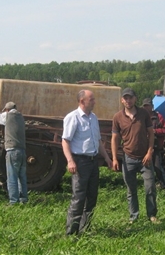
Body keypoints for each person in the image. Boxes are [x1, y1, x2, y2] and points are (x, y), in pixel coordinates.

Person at [62, 90, 113, 235]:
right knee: (78, 197)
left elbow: (98, 141)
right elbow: (65, 141)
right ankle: (71, 232)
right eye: (91, 99)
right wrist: (70, 161)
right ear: (82, 101)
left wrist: (107, 158)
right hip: (80, 162)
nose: (94, 102)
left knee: (92, 197)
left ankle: (85, 228)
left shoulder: (93, 118)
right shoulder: (73, 117)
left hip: (93, 161)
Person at [111, 88, 159, 224]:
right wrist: (115, 158)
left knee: (150, 187)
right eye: (125, 98)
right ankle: (134, 216)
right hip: (128, 158)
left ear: (135, 99)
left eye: (130, 98)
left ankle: (152, 215)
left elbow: (151, 134)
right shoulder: (117, 117)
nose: (128, 100)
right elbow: (114, 139)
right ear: (122, 100)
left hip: (145, 158)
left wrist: (149, 152)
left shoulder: (144, 114)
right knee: (131, 189)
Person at [0, 101, 28, 205]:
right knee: (22, 177)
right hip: (22, 151)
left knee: (12, 177)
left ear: (6, 109)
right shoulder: (21, 117)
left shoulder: (6, 115)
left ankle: (13, 201)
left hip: (12, 150)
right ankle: (23, 200)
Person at [142, 98, 165, 192]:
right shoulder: (141, 117)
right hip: (143, 147)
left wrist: (154, 132)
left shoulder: (158, 117)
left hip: (155, 147)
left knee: (158, 167)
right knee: (146, 168)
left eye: (148, 106)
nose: (147, 108)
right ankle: (150, 188)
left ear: (152, 107)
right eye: (145, 106)